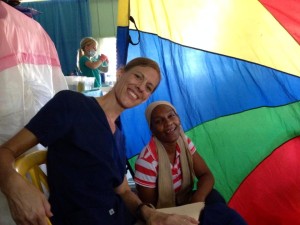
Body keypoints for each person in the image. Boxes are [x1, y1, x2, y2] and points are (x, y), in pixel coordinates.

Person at [0, 57, 199, 225]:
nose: (140, 87)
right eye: (138, 76)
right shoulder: (72, 105)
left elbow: (122, 190)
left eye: (148, 87)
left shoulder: (120, 135)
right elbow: (6, 151)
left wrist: (153, 215)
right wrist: (14, 184)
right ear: (120, 73)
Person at [134, 101, 248, 225]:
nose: (168, 123)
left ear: (178, 118)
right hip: (164, 213)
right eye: (158, 121)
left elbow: (206, 175)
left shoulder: (184, 141)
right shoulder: (147, 160)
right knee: (225, 216)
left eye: (171, 116)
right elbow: (150, 208)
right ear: (152, 129)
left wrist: (197, 199)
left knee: (214, 198)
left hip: (186, 200)